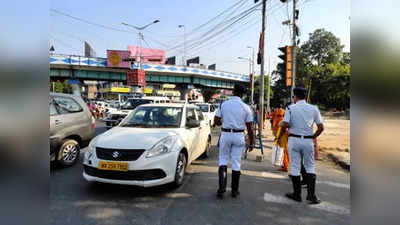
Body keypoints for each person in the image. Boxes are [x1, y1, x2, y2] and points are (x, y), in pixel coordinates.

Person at [280, 87, 324, 204]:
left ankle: (297, 195)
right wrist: (313, 137)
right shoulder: (314, 109)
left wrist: (280, 126)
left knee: (295, 167)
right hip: (308, 141)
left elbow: (285, 124)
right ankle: (311, 195)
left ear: (295, 96)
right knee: (310, 166)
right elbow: (321, 128)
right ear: (305, 96)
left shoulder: (290, 108)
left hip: (294, 140)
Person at [214, 84, 254, 198]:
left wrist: (225, 122)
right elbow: (250, 127)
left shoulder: (223, 104)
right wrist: (251, 142)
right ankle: (234, 191)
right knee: (236, 162)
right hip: (239, 136)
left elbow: (216, 121)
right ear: (242, 94)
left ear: (233, 92)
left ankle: (221, 188)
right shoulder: (246, 107)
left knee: (223, 160)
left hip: (226, 134)